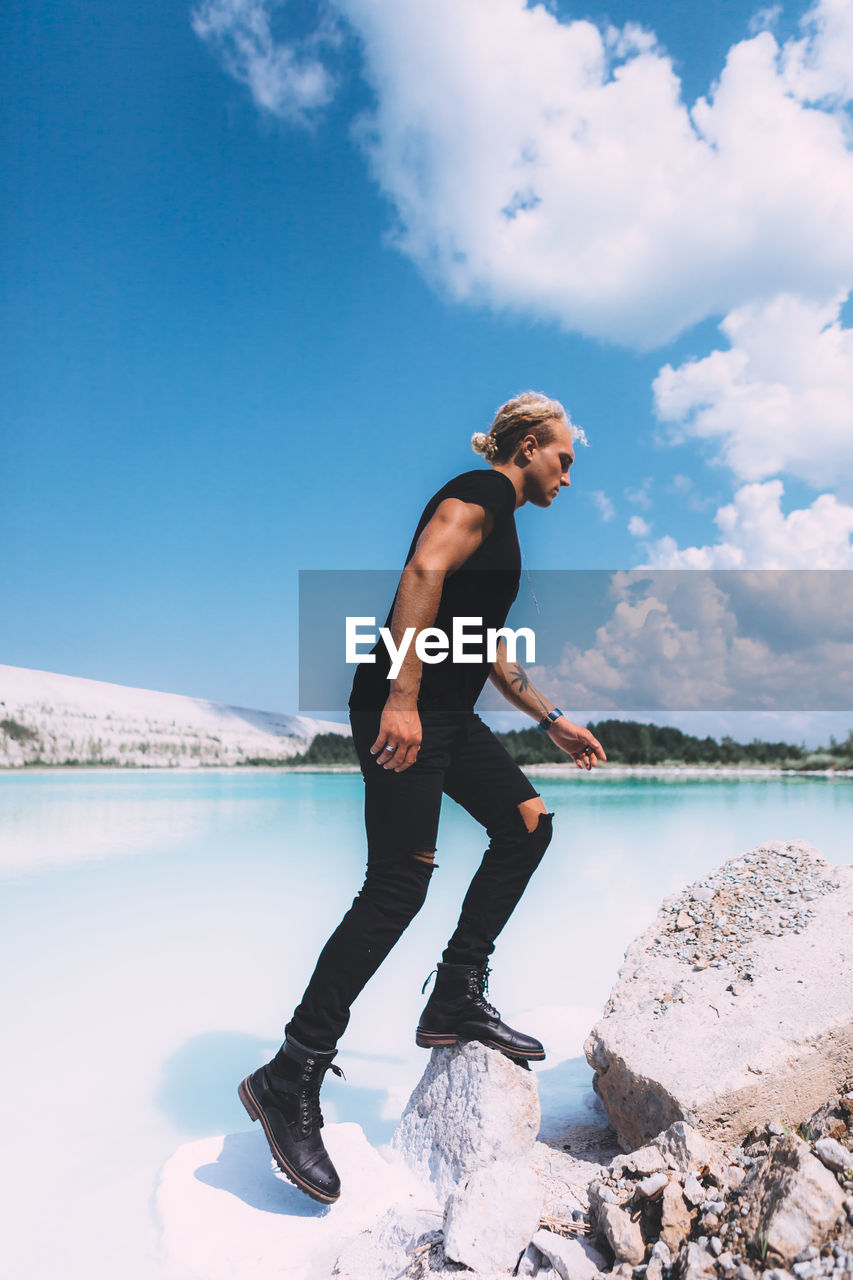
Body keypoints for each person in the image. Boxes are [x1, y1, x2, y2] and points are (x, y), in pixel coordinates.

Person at [238, 391, 606, 1204]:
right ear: (527, 447)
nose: (567, 475)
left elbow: (487, 649)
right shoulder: (476, 495)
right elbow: (421, 573)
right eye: (563, 457)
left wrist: (550, 719)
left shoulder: (504, 525)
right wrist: (402, 697)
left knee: (527, 826)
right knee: (398, 884)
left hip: (443, 710)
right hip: (404, 705)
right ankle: (288, 1075)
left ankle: (454, 992)